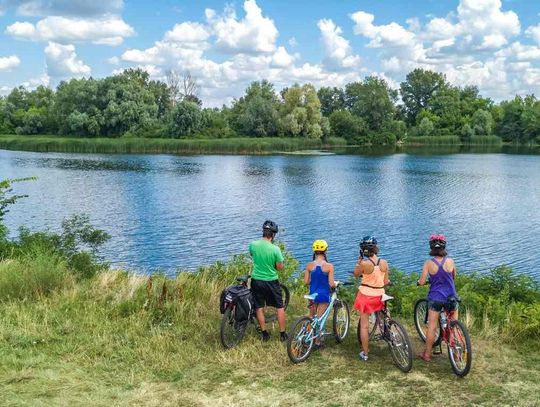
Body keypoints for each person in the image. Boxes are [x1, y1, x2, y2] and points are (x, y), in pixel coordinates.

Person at [417, 234, 458, 362]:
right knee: (454, 326)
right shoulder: (450, 261)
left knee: (432, 326)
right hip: (451, 297)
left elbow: (422, 281)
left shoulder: (429, 263)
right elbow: (454, 276)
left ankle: (427, 355)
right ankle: (457, 354)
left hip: (436, 298)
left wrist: (419, 282)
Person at [249, 220, 287, 342]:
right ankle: (282, 334)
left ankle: (265, 333)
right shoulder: (275, 249)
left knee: (259, 307)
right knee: (279, 307)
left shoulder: (253, 244)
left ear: (263, 233)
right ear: (273, 235)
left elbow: (252, 255)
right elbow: (280, 267)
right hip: (271, 281)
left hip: (256, 280)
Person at [353, 236, 389, 361]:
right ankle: (388, 330)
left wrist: (358, 263)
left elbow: (356, 274)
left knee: (364, 326)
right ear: (375, 248)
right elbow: (385, 282)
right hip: (379, 295)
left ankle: (365, 353)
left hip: (366, 296)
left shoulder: (364, 264)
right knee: (385, 314)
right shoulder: (384, 263)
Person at [304, 239, 335, 347]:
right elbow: (331, 284)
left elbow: (306, 282)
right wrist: (334, 285)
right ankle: (317, 342)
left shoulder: (309, 265)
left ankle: (307, 336)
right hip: (323, 295)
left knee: (311, 317)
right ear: (325, 251)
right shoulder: (329, 266)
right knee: (319, 318)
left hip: (312, 294)